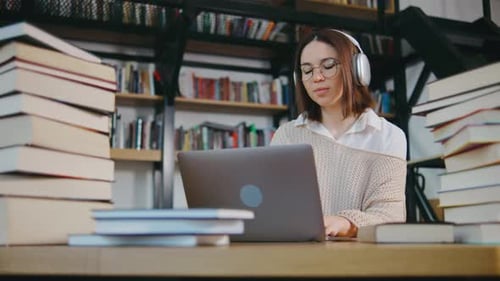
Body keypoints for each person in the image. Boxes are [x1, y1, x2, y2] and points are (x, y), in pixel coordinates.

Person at [270, 28, 407, 238]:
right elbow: (273, 208)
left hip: (360, 260)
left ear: (357, 69)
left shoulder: (388, 136)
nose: (316, 77)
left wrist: (348, 223)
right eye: (307, 70)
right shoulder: (287, 135)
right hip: (296, 256)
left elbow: (391, 216)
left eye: (328, 66)